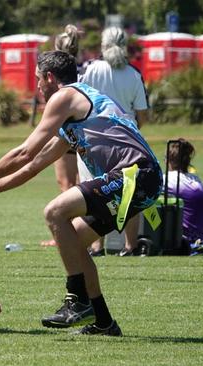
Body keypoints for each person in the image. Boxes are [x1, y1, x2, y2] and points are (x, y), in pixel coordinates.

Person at [0, 51, 162, 336]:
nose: (36, 88)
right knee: (72, 240)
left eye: (37, 80)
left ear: (49, 77)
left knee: (54, 212)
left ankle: (78, 301)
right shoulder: (74, 114)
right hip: (141, 180)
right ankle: (104, 322)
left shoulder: (66, 96)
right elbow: (34, 165)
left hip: (136, 174)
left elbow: (24, 152)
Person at [80, 26, 150, 257]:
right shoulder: (133, 74)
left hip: (93, 141)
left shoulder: (90, 70)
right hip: (127, 143)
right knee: (129, 193)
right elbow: (143, 115)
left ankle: (96, 246)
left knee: (92, 193)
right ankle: (129, 247)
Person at [40, 25, 80, 248]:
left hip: (66, 133)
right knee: (81, 184)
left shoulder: (59, 78)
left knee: (66, 185)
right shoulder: (81, 69)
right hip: (82, 133)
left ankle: (66, 234)